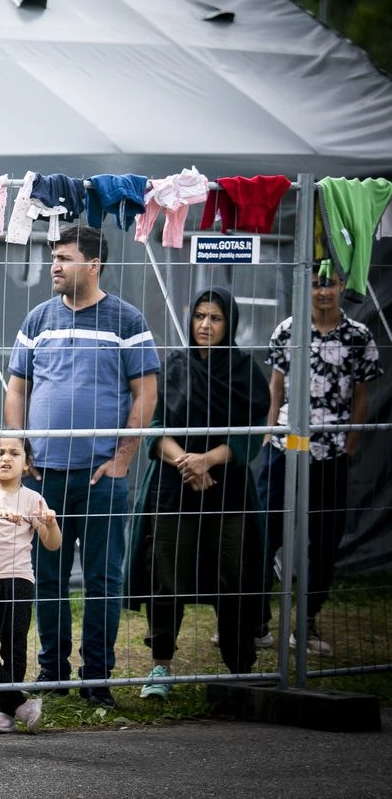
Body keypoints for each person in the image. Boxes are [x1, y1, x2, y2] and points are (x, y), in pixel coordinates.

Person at [3, 223, 159, 707]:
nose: (54, 265)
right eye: (53, 257)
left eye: (64, 258)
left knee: (102, 580)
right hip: (45, 477)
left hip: (100, 478)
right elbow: (16, 388)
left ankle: (97, 678)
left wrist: (122, 460)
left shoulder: (127, 321)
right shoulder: (37, 320)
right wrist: (21, 449)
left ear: (93, 265)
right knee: (46, 578)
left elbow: (146, 393)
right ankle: (53, 672)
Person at [128, 287, 271, 697]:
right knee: (165, 572)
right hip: (173, 488)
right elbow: (155, 426)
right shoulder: (174, 367)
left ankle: (240, 666)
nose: (205, 325)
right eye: (200, 316)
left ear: (230, 324)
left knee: (233, 572)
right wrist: (186, 463)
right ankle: (161, 667)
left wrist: (207, 460)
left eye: (216, 318)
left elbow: (251, 433)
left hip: (227, 489)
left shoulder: (244, 371)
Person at [259, 266, 381, 656]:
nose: (323, 291)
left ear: (342, 285)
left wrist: (350, 444)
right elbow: (275, 388)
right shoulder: (287, 331)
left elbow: (361, 395)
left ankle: (306, 623)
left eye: (329, 283)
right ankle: (255, 620)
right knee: (264, 533)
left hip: (330, 453)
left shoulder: (359, 336)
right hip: (285, 449)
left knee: (324, 541)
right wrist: (269, 434)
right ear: (305, 287)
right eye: (315, 284)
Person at [0, 435, 60, 733]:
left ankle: (5, 713)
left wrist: (51, 522)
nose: (6, 458)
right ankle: (20, 703)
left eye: (15, 453)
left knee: (14, 647)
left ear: (27, 464)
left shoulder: (33, 499)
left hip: (19, 581)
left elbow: (52, 543)